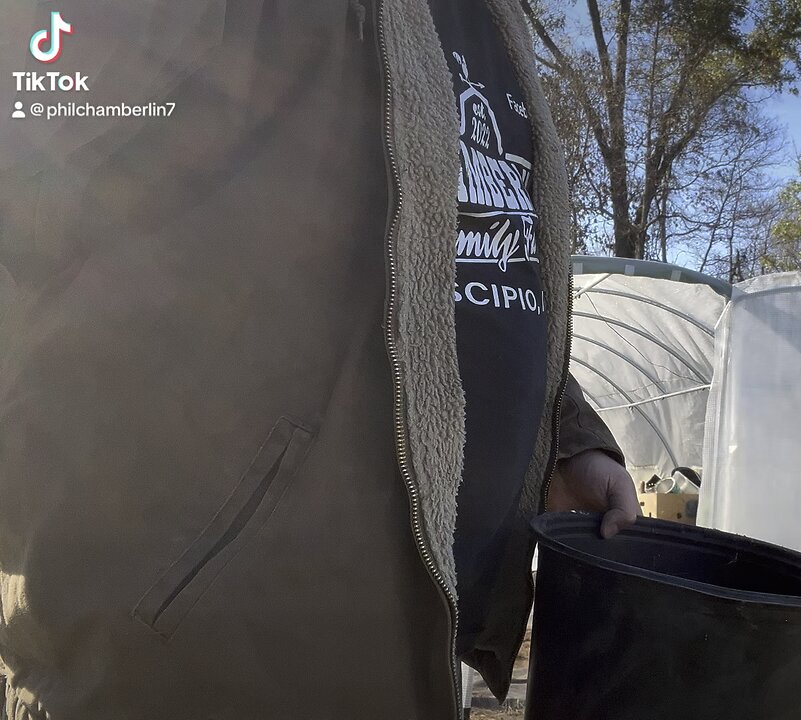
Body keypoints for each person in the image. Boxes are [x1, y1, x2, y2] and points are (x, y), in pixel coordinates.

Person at [0, 0, 640, 717]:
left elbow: (456, 272)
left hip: (408, 641)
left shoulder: (492, 22)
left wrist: (567, 437)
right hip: (185, 652)